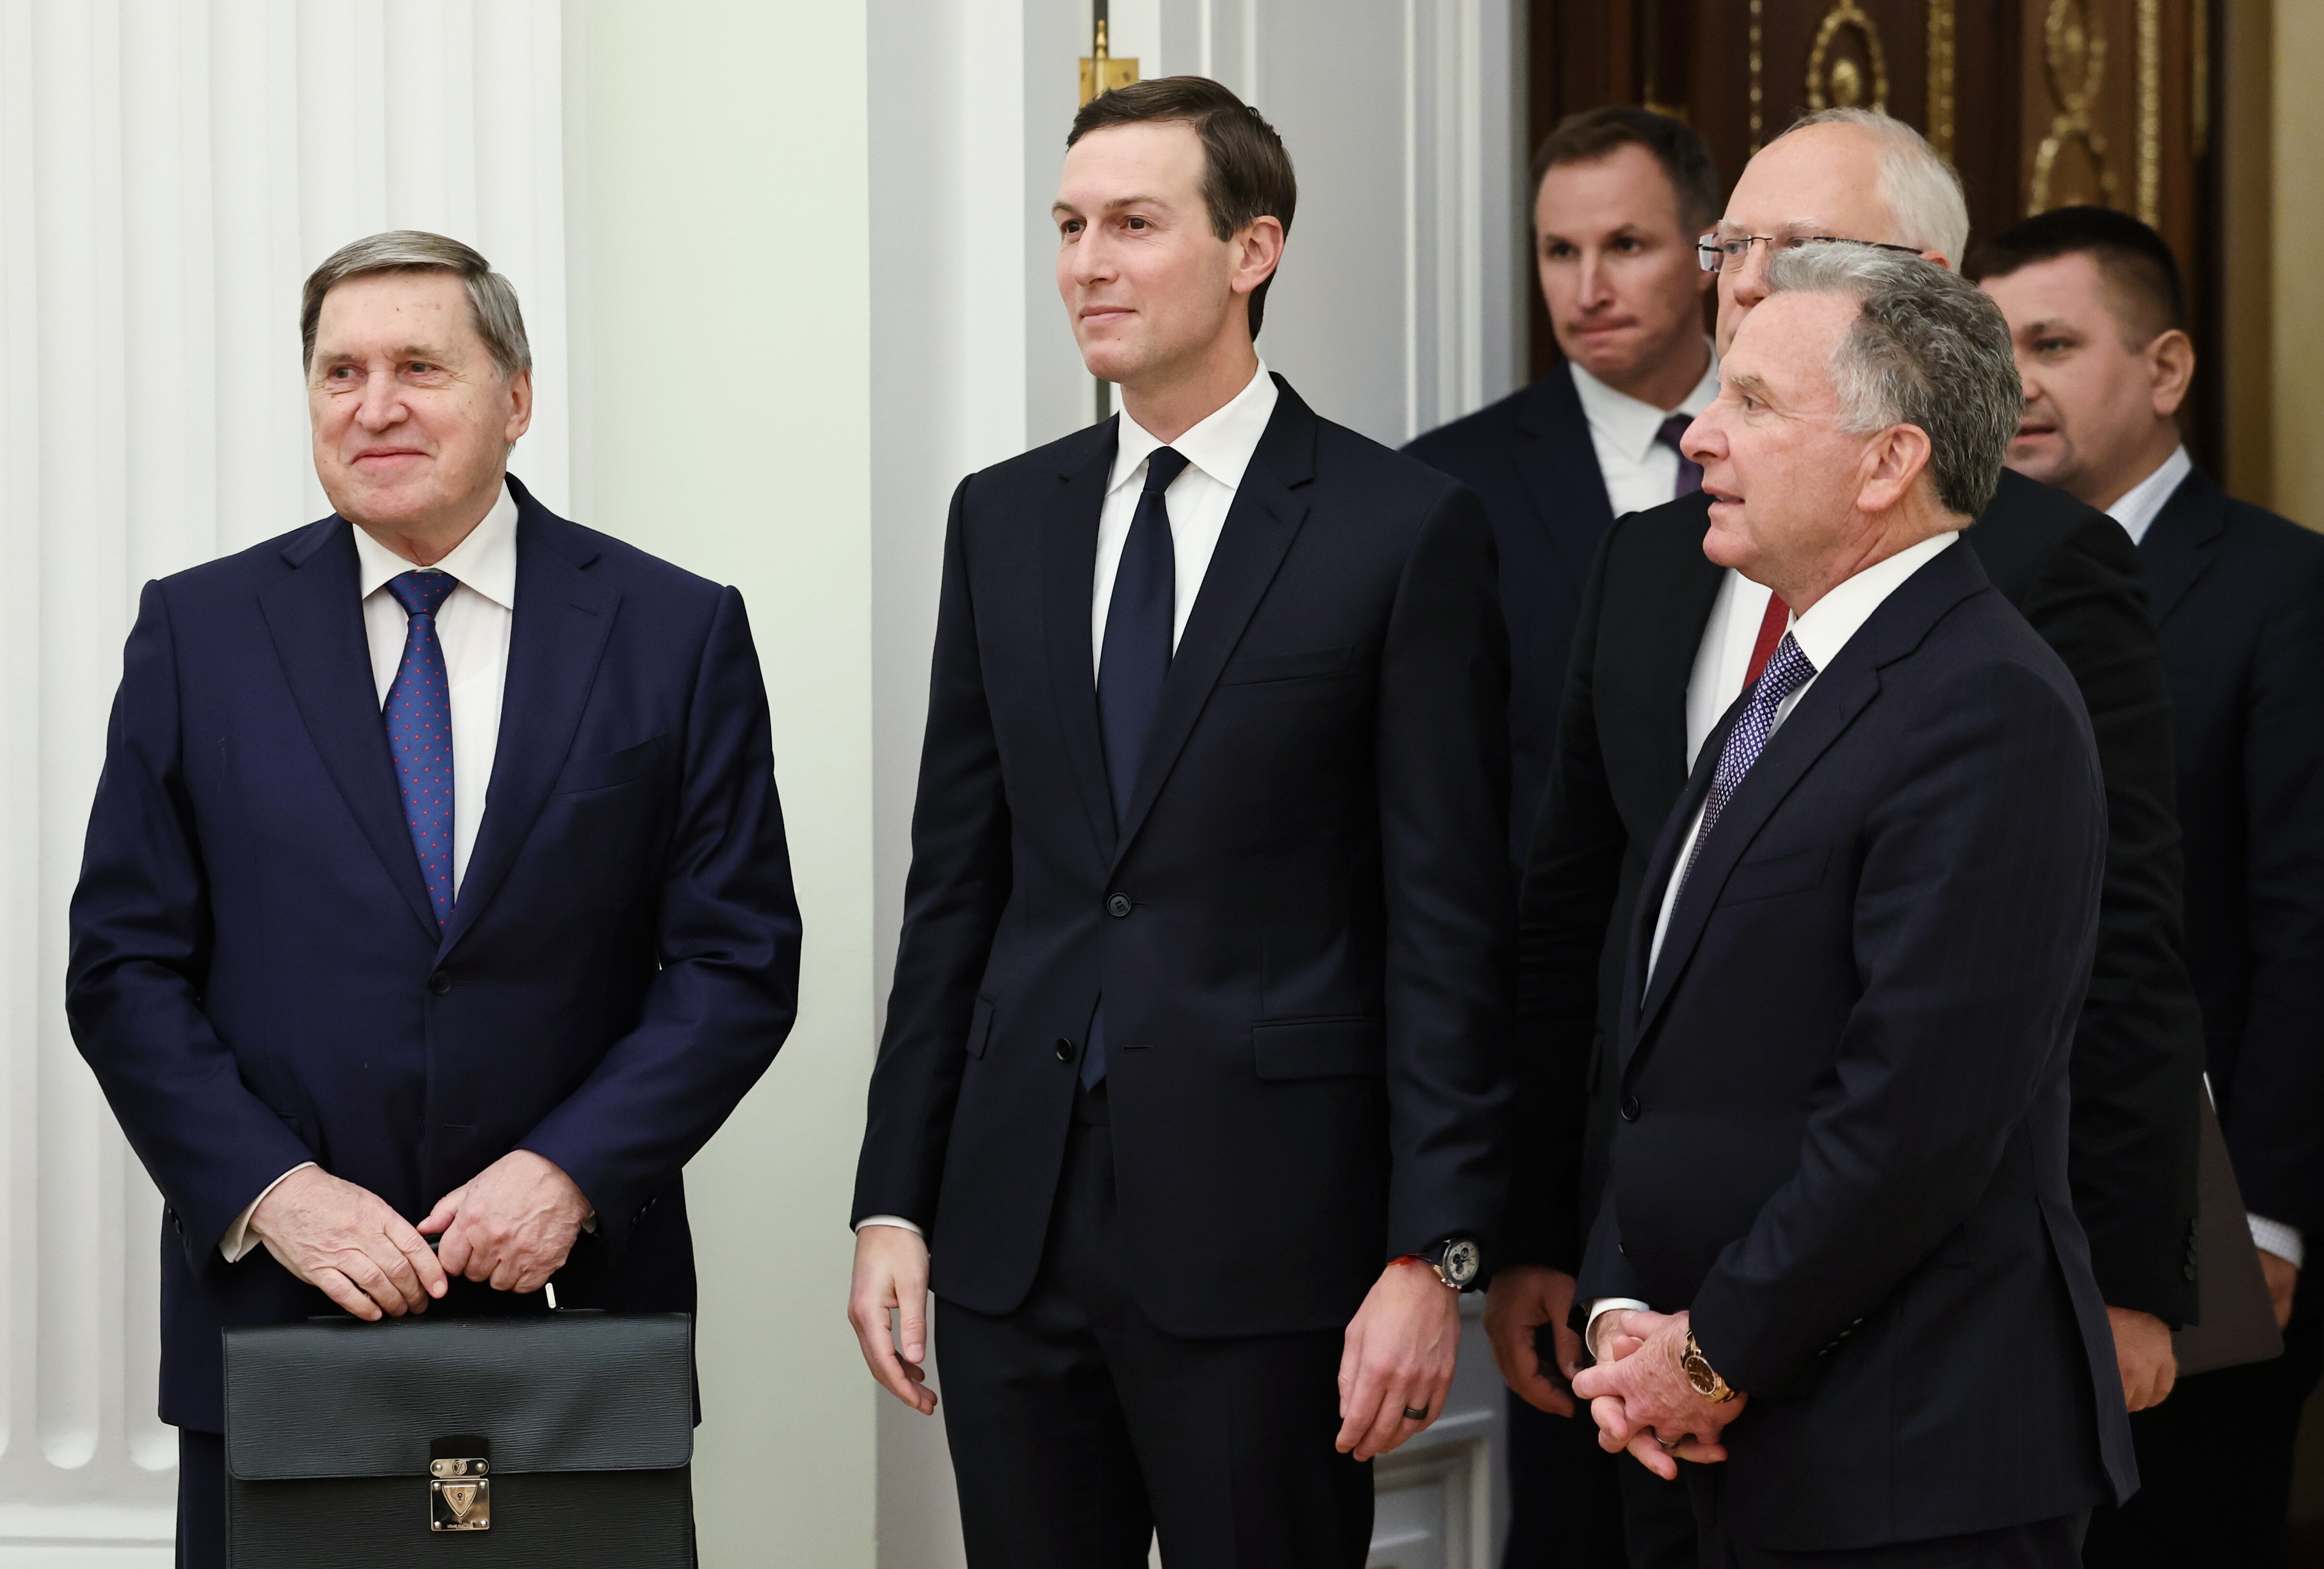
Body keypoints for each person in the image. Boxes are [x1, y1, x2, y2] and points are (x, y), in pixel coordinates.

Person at [1486, 109, 2202, 1568]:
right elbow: (1633, 990)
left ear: (1888, 458)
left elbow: (1930, 1098)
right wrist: (1622, 1304)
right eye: (1732, 248)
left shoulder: (1992, 686)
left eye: (1751, 402)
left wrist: (1714, 1351)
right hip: (1687, 1391)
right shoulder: (1782, 667)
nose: (1699, 429)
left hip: (1899, 1427)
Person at [845, 77, 1514, 1567]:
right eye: (1068, 226)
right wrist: (893, 1202)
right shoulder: (1001, 519)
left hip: (1270, 1241)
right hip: (1012, 1234)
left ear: (1250, 250)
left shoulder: (1401, 529)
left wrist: (1432, 1253)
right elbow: (955, 891)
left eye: (1134, 225)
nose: (1086, 263)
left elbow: (1448, 926)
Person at [65, 232, 802, 1569]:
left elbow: (735, 960)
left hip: (572, 1312)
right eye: (340, 372)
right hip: (281, 1317)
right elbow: (122, 966)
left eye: (419, 366)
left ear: (515, 397)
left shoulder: (673, 630)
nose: (374, 406)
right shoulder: (199, 632)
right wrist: (277, 1194)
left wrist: (570, 1174)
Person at [1972, 205, 2324, 1567]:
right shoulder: (1954, 579)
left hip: (2208, 1216)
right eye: (1993, 349)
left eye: (2053, 345)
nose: (2015, 384)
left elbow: (2308, 924)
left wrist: (2269, 1218)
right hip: (1984, 1214)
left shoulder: (2283, 590)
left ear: (2166, 368)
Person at [1407, 103, 1720, 1569]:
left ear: (1707, 255)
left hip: (1776, 1070)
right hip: (1554, 1075)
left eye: (1627, 245)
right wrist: (1506, 1204)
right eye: (1556, 251)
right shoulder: (1442, 488)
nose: (1586, 286)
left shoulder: (1794, 448)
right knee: (1575, 1513)